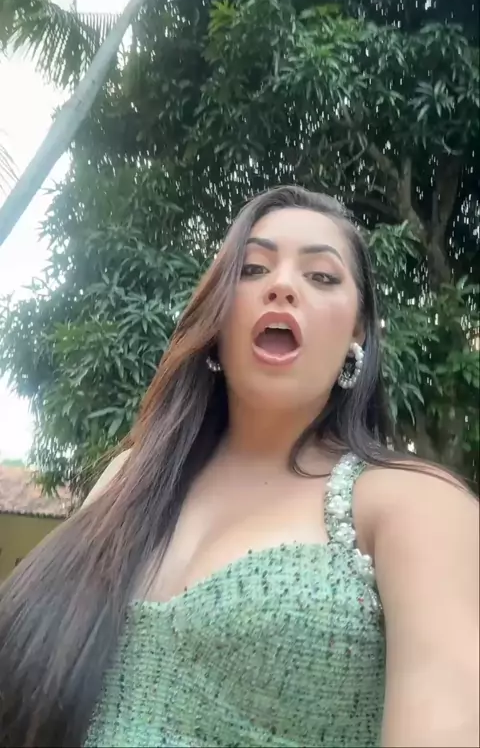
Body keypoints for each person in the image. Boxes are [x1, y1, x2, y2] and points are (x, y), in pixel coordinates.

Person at [0, 186, 478, 748]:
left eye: (321, 276)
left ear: (358, 332)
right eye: (252, 269)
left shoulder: (414, 504)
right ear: (218, 315)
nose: (282, 285)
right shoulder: (126, 480)